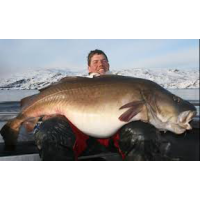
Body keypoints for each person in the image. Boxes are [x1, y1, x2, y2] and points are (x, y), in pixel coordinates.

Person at [34, 49, 170, 161]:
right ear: (89, 68)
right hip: (81, 134)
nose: (101, 64)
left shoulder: (124, 84)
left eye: (104, 61)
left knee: (143, 134)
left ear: (109, 65)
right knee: (49, 131)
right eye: (96, 62)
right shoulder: (74, 87)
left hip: (117, 132)